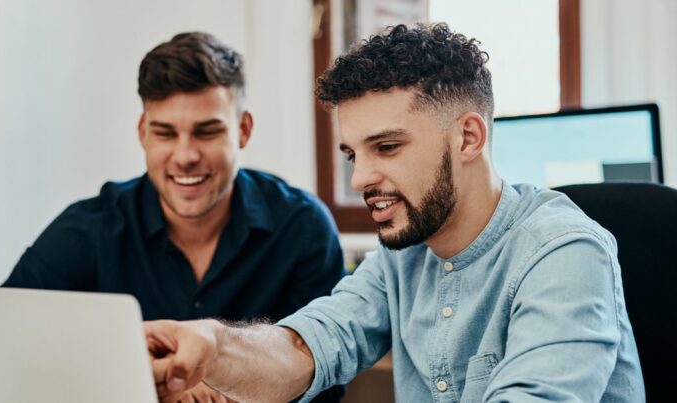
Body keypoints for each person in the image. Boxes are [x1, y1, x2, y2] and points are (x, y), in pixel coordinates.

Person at [143, 23, 646, 403]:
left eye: (386, 147)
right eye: (352, 154)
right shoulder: (403, 253)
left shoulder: (564, 253)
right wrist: (214, 346)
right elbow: (310, 347)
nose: (359, 179)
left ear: (468, 137)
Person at [1, 32, 345, 402]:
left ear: (243, 130)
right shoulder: (87, 229)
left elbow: (326, 382)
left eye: (207, 132)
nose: (185, 157)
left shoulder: (303, 228)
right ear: (143, 133)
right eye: (165, 134)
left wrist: (225, 385)